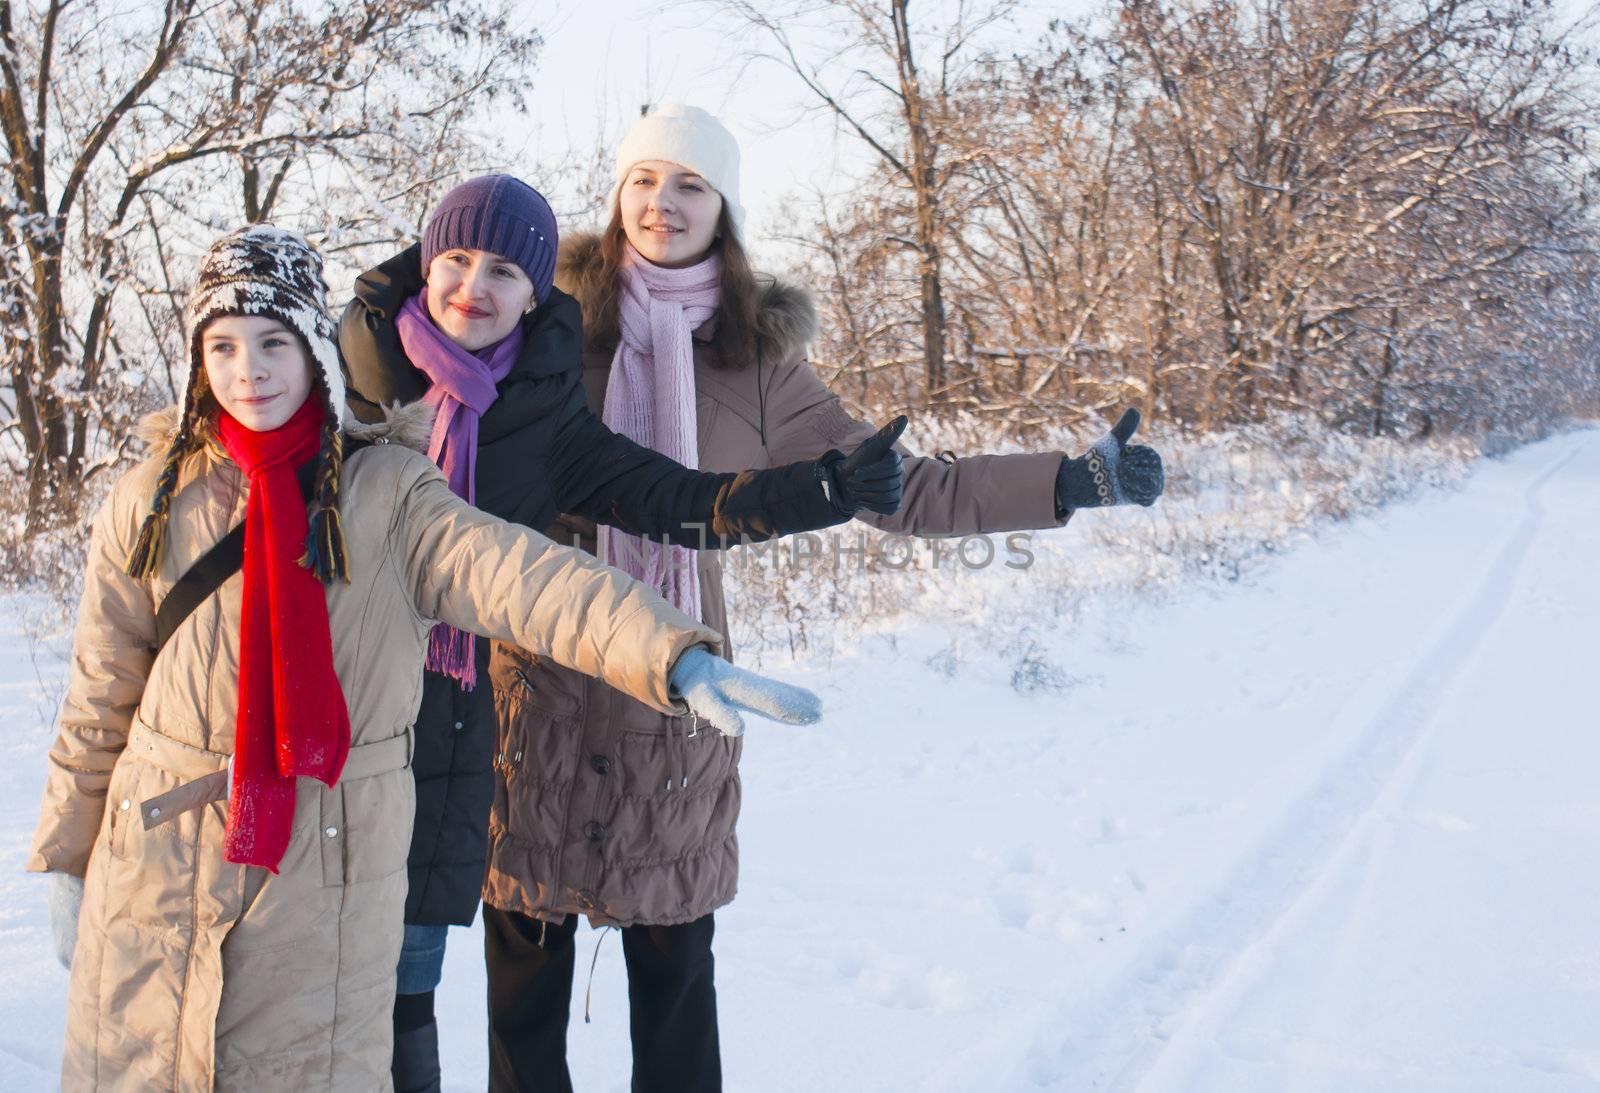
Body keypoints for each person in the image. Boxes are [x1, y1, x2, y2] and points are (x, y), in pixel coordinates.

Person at [27, 225, 827, 1090]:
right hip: (153, 874)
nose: (248, 370)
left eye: (272, 343)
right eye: (221, 346)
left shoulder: (384, 493)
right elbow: (100, 696)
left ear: (314, 351)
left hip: (325, 875)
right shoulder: (151, 498)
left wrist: (669, 652)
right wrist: (69, 857)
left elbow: (532, 581)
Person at [479, 104, 1166, 1092]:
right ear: (615, 192)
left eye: (689, 185)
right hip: (534, 688)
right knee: (520, 1016)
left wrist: (1067, 482)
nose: (661, 203)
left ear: (724, 209)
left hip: (677, 703)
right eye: (643, 180)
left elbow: (909, 489)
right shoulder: (550, 327)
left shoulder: (756, 366)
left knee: (674, 1008)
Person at [338, 173, 905, 1090]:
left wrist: (825, 487)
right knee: (339, 1002)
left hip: (454, 734)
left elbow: (678, 498)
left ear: (536, 292)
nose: (472, 287)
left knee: (409, 1000)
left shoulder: (545, 414)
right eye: (454, 259)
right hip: (339, 736)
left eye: (502, 271)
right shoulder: (344, 379)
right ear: (422, 262)